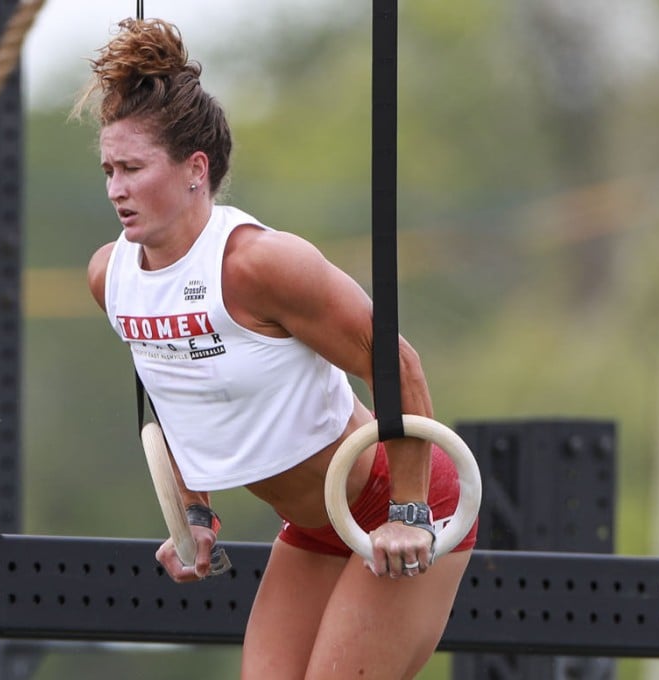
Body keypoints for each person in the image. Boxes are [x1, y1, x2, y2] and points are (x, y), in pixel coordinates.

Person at [74, 18, 477, 680]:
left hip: (395, 500)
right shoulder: (109, 278)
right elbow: (172, 389)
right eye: (109, 170)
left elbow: (396, 362)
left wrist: (410, 516)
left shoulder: (259, 265)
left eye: (134, 169)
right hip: (313, 528)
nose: (116, 188)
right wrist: (195, 512)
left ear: (195, 169)